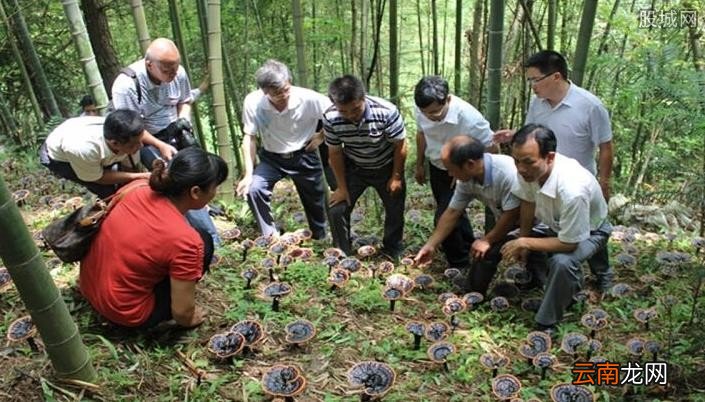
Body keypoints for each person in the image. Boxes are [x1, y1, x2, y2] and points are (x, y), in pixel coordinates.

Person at [80, 147, 228, 329]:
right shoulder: (186, 241)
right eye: (215, 187)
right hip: (125, 311)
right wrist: (189, 318)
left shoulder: (136, 188)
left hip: (89, 287)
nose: (216, 192)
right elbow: (182, 313)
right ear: (195, 192)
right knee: (204, 242)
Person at [500, 124, 612, 334]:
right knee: (517, 236)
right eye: (516, 161)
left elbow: (569, 244)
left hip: (593, 230)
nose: (520, 168)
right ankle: (545, 282)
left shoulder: (572, 189)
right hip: (556, 224)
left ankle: (547, 321)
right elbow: (528, 202)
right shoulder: (527, 171)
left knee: (562, 262)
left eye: (527, 162)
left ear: (549, 157)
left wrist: (525, 242)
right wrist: (523, 237)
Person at [112, 37, 219, 245]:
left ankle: (205, 217)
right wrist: (160, 145)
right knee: (176, 182)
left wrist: (184, 121)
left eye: (175, 69)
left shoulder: (178, 73)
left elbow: (185, 101)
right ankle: (205, 236)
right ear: (149, 64)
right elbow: (131, 128)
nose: (173, 75)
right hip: (145, 139)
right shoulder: (126, 85)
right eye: (167, 70)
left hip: (175, 127)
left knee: (202, 170)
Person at [494, 50, 613, 201]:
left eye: (536, 80)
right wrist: (514, 134)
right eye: (529, 81)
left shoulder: (591, 106)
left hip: (577, 185)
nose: (532, 86)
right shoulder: (536, 103)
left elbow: (605, 147)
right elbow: (533, 135)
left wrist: (604, 184)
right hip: (543, 180)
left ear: (556, 76)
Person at [236, 60, 331, 239]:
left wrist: (320, 136)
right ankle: (270, 237)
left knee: (315, 201)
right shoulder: (253, 102)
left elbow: (335, 114)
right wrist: (248, 174)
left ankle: (320, 237)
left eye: (286, 88)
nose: (284, 95)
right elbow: (249, 137)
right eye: (277, 93)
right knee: (254, 189)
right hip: (271, 157)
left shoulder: (309, 98)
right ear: (265, 92)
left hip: (304, 155)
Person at [414, 136, 520, 294]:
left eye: (451, 169)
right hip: (508, 220)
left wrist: (487, 239)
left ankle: (539, 288)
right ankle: (473, 294)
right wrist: (431, 245)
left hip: (534, 222)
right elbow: (452, 212)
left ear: (470, 164)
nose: (450, 174)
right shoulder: (466, 179)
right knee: (485, 252)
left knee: (489, 250)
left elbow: (512, 214)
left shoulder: (506, 173)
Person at [413, 75, 494, 269]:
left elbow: (491, 146)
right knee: (454, 211)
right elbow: (421, 133)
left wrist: (467, 172)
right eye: (426, 113)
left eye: (435, 112)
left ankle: (460, 264)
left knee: (444, 215)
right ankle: (466, 246)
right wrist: (419, 163)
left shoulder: (470, 118)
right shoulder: (422, 109)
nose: (430, 117)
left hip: (462, 169)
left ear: (448, 99)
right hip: (437, 166)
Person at [323, 75, 407, 258]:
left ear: (363, 98)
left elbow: (400, 145)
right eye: (343, 111)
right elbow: (335, 153)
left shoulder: (386, 111)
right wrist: (341, 188)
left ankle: (392, 248)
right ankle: (342, 251)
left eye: (355, 109)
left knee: (395, 209)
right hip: (354, 168)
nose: (350, 115)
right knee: (337, 208)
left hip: (386, 166)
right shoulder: (330, 117)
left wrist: (396, 176)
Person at [39, 109, 151, 199]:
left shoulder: (122, 128)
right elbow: (99, 177)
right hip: (60, 157)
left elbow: (135, 142)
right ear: (115, 143)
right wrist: (139, 176)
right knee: (107, 191)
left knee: (128, 178)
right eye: (134, 145)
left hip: (77, 134)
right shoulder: (83, 149)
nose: (141, 146)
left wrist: (161, 146)